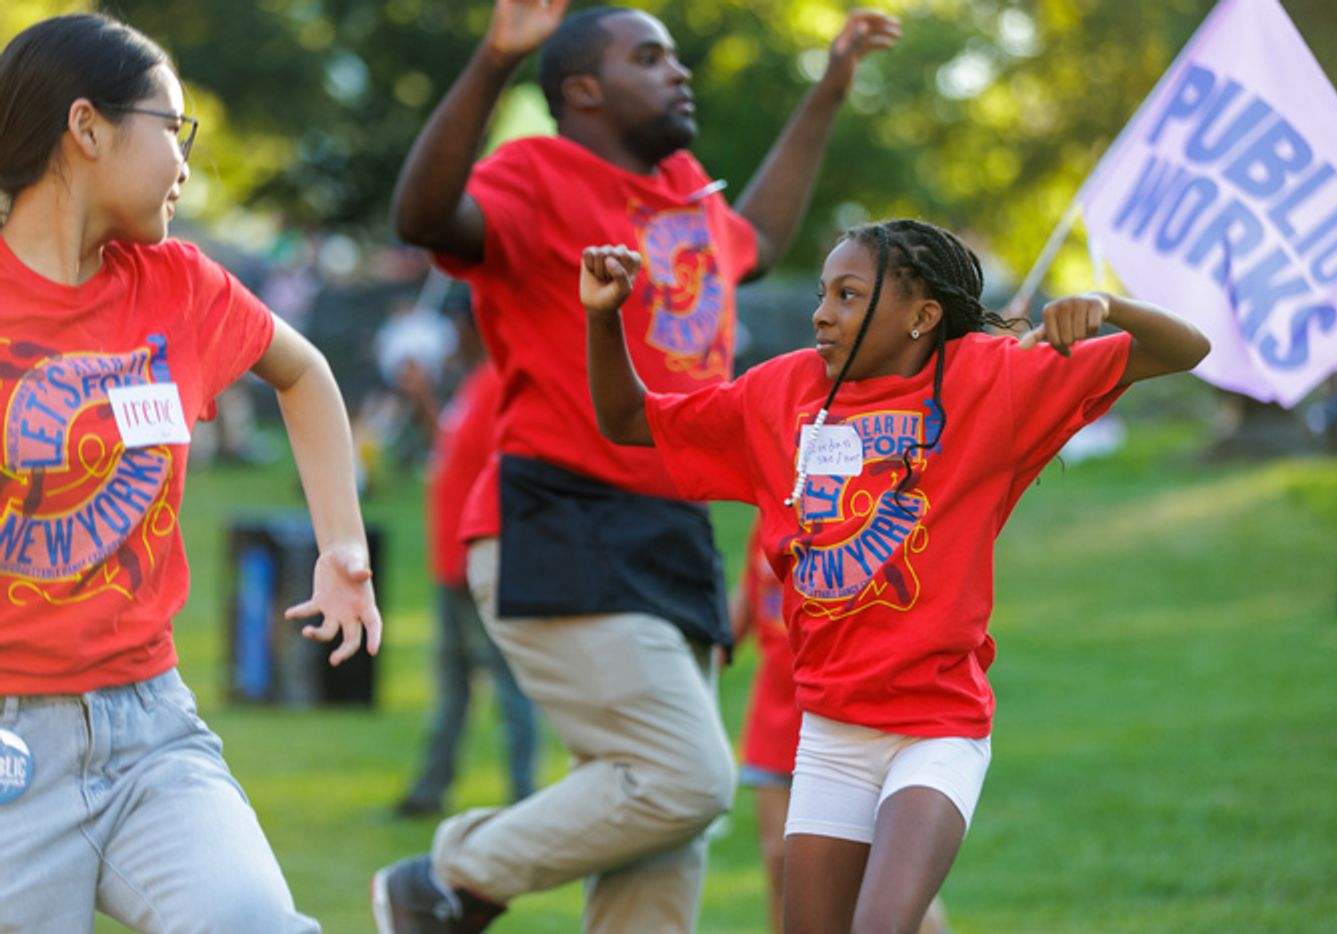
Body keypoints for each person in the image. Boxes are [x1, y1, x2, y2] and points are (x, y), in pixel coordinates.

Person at [372, 2, 899, 932]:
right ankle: (448, 879)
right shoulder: (532, 174)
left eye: (673, 56)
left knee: (659, 837)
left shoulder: (686, 188)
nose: (678, 71)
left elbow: (759, 243)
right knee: (684, 777)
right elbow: (422, 215)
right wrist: (496, 58)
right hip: (560, 515)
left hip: (671, 529)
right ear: (582, 91)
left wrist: (828, 89)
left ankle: (453, 883)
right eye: (649, 57)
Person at [581, 218, 1210, 933]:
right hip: (830, 729)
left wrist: (1108, 306)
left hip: (936, 727)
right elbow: (627, 419)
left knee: (881, 926)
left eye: (849, 295)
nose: (822, 312)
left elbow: (1186, 348)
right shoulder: (780, 393)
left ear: (922, 316)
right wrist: (603, 320)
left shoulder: (989, 380)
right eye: (823, 293)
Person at [0, 13, 382, 933]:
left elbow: (305, 374)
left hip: (150, 730)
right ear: (86, 128)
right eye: (171, 130)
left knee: (253, 920)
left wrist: (341, 543)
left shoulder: (179, 284)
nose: (185, 162)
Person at [729, 519, 951, 934]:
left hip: (850, 718)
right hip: (775, 717)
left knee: (882, 873)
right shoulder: (769, 515)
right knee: (782, 861)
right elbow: (749, 593)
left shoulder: (864, 516)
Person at [395, 304, 538, 816]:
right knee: (452, 686)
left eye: (456, 326)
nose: (450, 338)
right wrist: (422, 399)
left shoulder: (504, 382)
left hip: (487, 562)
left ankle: (524, 798)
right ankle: (430, 789)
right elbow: (452, 449)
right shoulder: (475, 383)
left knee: (508, 685)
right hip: (451, 562)